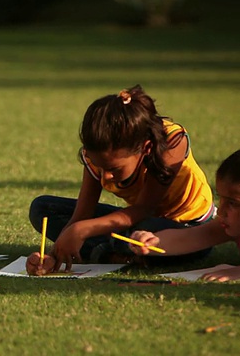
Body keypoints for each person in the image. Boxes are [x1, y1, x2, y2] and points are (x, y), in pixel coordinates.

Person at [26, 85, 215, 276]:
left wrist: (81, 231)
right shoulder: (96, 156)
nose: (105, 176)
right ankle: (117, 254)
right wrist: (53, 256)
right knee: (42, 209)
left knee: (141, 232)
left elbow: (144, 209)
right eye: (100, 167)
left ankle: (108, 252)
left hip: (188, 229)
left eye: (113, 169)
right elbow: (81, 216)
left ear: (145, 148)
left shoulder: (172, 142)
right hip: (134, 223)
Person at [130, 147, 240, 282]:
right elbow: (193, 236)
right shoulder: (232, 226)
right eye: (221, 199)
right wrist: (152, 241)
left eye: (232, 203)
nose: (221, 211)